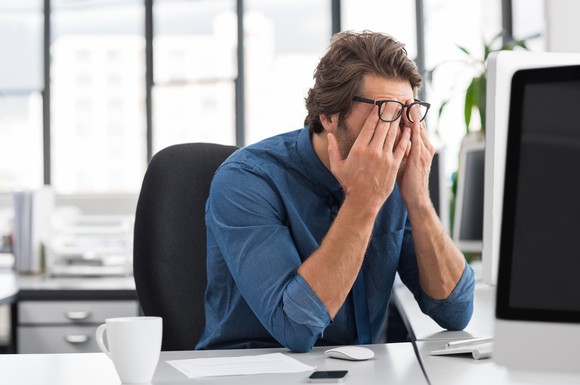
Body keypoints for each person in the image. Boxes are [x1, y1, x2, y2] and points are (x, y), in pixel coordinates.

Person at [196, 30, 474, 353]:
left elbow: (456, 311)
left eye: (409, 113)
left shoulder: (396, 179)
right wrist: (363, 201)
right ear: (329, 115)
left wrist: (418, 200)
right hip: (251, 372)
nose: (399, 132)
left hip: (361, 373)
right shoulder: (246, 180)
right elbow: (295, 328)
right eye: (386, 111)